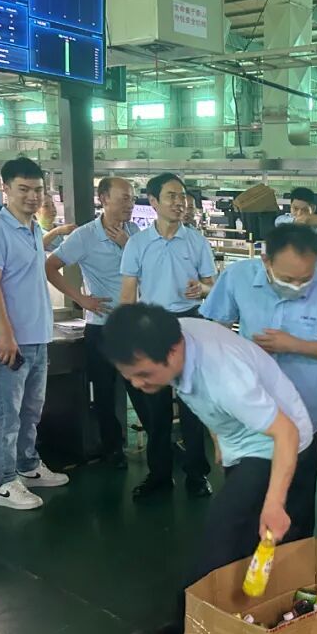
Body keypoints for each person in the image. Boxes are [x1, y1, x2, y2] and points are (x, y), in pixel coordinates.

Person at [101, 304, 314, 634]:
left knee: (222, 531)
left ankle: (186, 629)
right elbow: (200, 398)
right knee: (243, 535)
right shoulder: (172, 333)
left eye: (142, 374)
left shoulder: (225, 376)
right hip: (241, 437)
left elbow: (286, 434)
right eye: (129, 377)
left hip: (272, 443)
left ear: (173, 351)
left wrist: (274, 504)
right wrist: (219, 439)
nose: (137, 384)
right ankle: (241, 616)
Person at [200, 222, 317, 526]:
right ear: (266, 261)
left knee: (296, 508)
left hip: (302, 416)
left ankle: (296, 555)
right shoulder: (237, 277)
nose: (296, 286)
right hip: (248, 415)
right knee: (246, 505)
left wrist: (293, 345)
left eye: (305, 279)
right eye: (287, 278)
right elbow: (215, 334)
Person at [0, 158, 70, 510]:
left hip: (37, 337)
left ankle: (27, 466)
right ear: (6, 189)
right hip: (9, 342)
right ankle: (2, 483)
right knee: (5, 415)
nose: (33, 196)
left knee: (31, 410)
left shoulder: (30, 228)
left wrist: (53, 234)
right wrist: (4, 334)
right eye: (24, 189)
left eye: (38, 189)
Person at [119, 173, 216, 499]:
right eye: (172, 196)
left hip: (190, 323)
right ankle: (159, 475)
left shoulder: (196, 241)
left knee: (192, 406)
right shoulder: (138, 244)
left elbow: (212, 286)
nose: (180, 202)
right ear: (153, 201)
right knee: (156, 407)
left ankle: (197, 474)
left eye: (182, 196)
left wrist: (202, 288)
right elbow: (128, 295)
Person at [45, 177, 139, 468]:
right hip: (102, 327)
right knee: (104, 392)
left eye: (132, 198)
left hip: (134, 327)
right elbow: (50, 266)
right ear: (104, 199)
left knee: (145, 389)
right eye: (124, 198)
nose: (130, 204)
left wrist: (128, 245)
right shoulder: (84, 236)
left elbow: (148, 270)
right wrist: (80, 299)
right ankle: (113, 449)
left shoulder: (135, 232)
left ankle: (160, 450)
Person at [274, 187, 317, 282]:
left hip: (315, 285)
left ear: (313, 209)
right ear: (290, 207)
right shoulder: (281, 222)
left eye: (304, 210)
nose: (299, 213)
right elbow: (302, 220)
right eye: (295, 208)